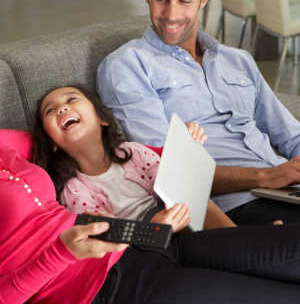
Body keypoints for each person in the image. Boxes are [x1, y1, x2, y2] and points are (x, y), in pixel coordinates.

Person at [1, 118, 300, 304]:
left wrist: (176, 149)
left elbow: (81, 143)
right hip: (104, 297)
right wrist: (60, 254)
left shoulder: (7, 143)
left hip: (146, 243)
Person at [96, 0, 300, 226]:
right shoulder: (127, 66)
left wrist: (287, 173)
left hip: (285, 191)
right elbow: (164, 170)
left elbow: (290, 135)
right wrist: (267, 176)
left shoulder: (238, 59)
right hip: (235, 205)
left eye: (184, 1)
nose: (171, 15)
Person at [32, 84, 235, 230]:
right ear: (52, 143)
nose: (62, 108)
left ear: (101, 118)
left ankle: (237, 238)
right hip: (146, 245)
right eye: (50, 110)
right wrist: (154, 227)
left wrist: (186, 149)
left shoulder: (133, 152)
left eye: (71, 99)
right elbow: (106, 237)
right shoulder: (74, 191)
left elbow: (173, 184)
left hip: (177, 215)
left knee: (193, 201)